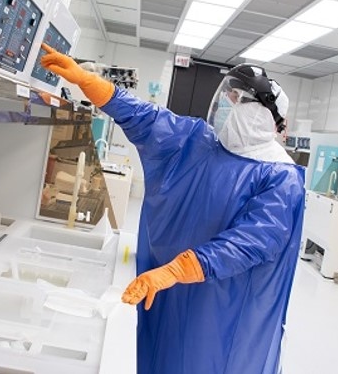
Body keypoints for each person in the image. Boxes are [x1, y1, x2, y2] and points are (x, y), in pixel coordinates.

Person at [41, 44, 305, 374]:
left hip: (221, 314)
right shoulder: (198, 142)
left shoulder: (280, 178)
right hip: (163, 290)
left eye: (238, 100)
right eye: (228, 96)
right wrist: (87, 81)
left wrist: (175, 271)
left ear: (263, 116)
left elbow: (247, 244)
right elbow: (145, 117)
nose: (227, 105)